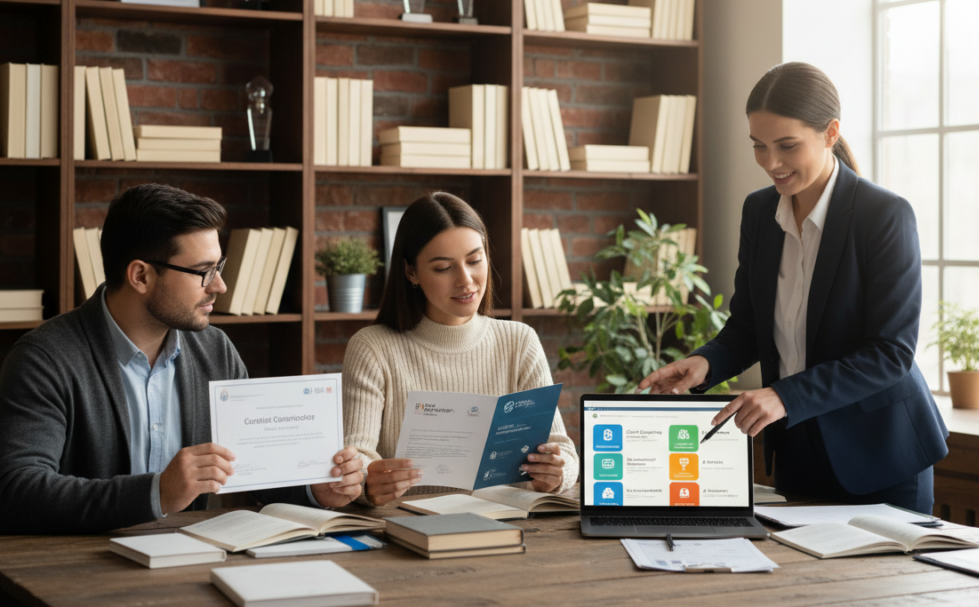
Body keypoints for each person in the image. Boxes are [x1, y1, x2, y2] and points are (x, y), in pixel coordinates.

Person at [639, 62, 948, 514]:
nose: (771, 164)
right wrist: (705, 363)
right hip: (798, 453)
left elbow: (890, 353)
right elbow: (749, 327)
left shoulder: (884, 216)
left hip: (882, 458)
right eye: (759, 147)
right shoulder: (760, 213)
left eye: (787, 146)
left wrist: (785, 396)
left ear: (830, 133)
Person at [0, 184, 363, 534]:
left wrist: (314, 490)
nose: (219, 285)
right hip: (78, 572)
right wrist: (157, 492)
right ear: (140, 275)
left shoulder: (215, 350)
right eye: (204, 271)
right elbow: (18, 491)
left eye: (220, 267)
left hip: (191, 562)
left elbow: (254, 469)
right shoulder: (44, 359)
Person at [343, 191, 580, 506]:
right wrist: (365, 483)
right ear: (411, 272)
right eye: (444, 268)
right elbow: (354, 461)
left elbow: (564, 452)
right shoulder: (373, 348)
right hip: (408, 533)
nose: (466, 280)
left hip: (512, 528)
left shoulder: (519, 341)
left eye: (474, 260)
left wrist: (557, 473)